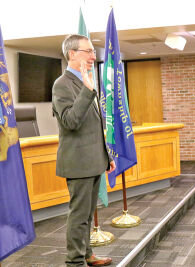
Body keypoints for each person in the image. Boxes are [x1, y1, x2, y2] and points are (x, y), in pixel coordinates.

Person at [52, 34, 116, 267]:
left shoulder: (85, 80)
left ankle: (87, 254)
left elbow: (95, 126)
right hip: (78, 162)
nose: (93, 56)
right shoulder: (62, 84)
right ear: (72, 54)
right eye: (87, 51)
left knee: (88, 215)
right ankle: (75, 262)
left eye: (92, 51)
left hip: (93, 159)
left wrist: (106, 156)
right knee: (78, 216)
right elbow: (71, 121)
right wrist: (88, 91)